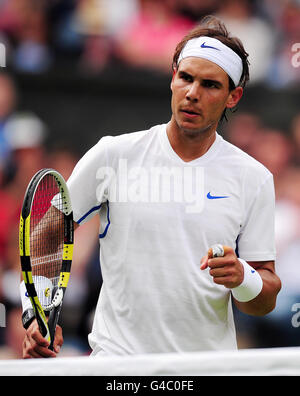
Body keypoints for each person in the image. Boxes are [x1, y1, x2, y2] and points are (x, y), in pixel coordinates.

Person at [21, 15, 281, 358]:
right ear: (173, 78)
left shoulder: (254, 178)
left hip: (205, 369)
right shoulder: (112, 154)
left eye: (210, 85)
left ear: (233, 97)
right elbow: (46, 235)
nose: (192, 93)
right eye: (185, 78)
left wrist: (242, 277)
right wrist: (35, 315)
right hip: (117, 364)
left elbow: (262, 301)